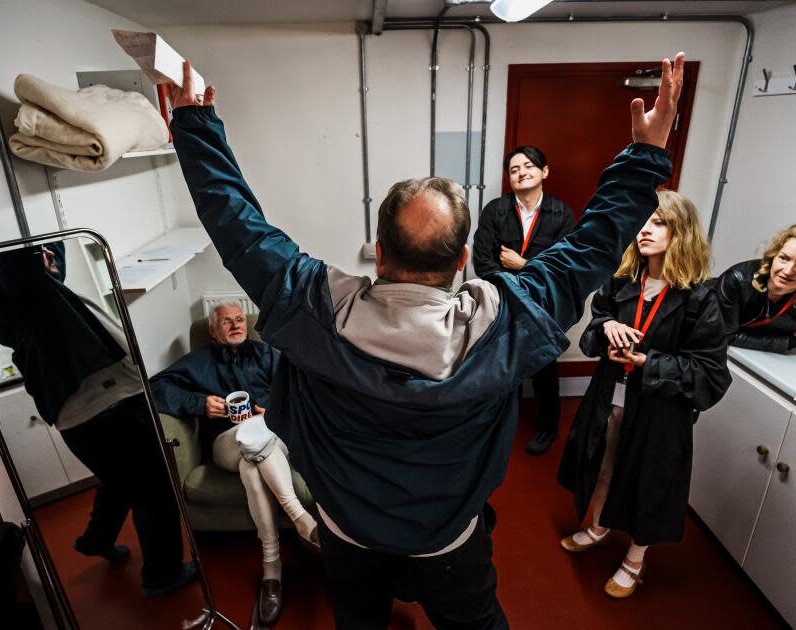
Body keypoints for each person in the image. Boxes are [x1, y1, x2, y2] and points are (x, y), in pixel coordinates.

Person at [168, 53, 684, 629]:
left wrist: (195, 125)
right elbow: (594, 246)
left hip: (347, 538)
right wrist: (644, 157)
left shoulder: (311, 304)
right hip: (449, 546)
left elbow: (237, 225)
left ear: (380, 253)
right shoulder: (508, 318)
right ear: (464, 261)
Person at [0, 242, 195, 598]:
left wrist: (42, 250)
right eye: (44, 254)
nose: (52, 261)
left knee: (119, 479)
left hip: (82, 416)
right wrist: (20, 246)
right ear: (25, 262)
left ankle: (97, 539)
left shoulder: (19, 304)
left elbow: (46, 268)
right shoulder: (30, 292)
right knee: (153, 490)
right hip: (109, 404)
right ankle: (163, 575)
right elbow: (24, 268)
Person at [557, 191, 731, 598]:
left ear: (680, 232)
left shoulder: (701, 298)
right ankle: (599, 527)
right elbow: (589, 337)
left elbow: (711, 374)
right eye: (641, 222)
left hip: (659, 410)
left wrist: (647, 362)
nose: (644, 231)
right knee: (604, 463)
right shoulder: (621, 282)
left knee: (647, 482)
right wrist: (603, 329)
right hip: (608, 396)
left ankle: (635, 559)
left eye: (657, 223)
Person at [150, 301, 319, 626]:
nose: (235, 324)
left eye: (239, 319)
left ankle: (272, 571)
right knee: (246, 436)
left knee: (252, 463)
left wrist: (271, 410)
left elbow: (299, 388)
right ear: (213, 331)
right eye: (226, 322)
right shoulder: (199, 362)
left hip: (272, 438)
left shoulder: (268, 355)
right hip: (225, 444)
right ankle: (301, 518)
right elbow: (156, 388)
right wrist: (199, 404)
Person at [472, 145, 575, 455]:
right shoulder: (495, 210)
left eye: (529, 166)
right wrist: (510, 287)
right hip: (504, 300)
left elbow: (564, 265)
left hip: (543, 305)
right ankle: (504, 423)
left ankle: (547, 428)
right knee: (505, 364)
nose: (521, 173)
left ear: (544, 171)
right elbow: (483, 260)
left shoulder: (562, 214)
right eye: (514, 170)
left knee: (544, 366)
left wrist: (524, 265)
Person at [715, 224, 796, 353]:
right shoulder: (737, 279)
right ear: (774, 256)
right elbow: (725, 335)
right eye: (784, 258)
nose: (787, 271)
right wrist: (787, 342)